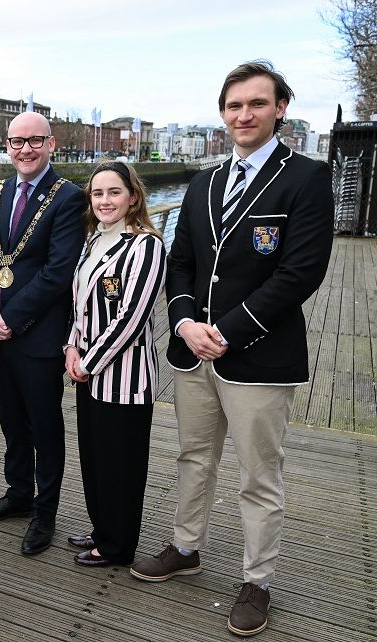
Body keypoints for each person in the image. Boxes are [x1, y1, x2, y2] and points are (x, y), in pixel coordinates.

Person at [129, 61, 334, 637]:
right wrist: (185, 321)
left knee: (258, 473)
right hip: (196, 352)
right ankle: (186, 547)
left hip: (259, 355)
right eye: (233, 106)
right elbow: (183, 261)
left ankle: (257, 579)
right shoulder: (205, 182)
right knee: (194, 458)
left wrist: (231, 329)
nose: (243, 115)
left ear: (280, 110)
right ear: (223, 114)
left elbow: (300, 273)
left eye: (256, 104)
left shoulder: (307, 178)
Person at [0, 112, 85, 555]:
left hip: (36, 336)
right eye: (17, 142)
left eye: (35, 141)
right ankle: (17, 495)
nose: (25, 150)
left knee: (44, 427)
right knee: (12, 423)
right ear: (7, 146)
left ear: (51, 144)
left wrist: (10, 318)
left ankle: (45, 511)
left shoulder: (68, 197)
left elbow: (58, 272)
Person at [64, 162, 166, 568]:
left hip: (124, 379)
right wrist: (71, 347)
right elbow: (80, 307)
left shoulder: (146, 246)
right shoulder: (93, 243)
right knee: (95, 458)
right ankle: (102, 527)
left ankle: (118, 545)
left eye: (113, 192)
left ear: (133, 197)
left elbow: (131, 317)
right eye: (97, 193)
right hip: (87, 374)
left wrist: (87, 361)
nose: (104, 200)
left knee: (121, 465)